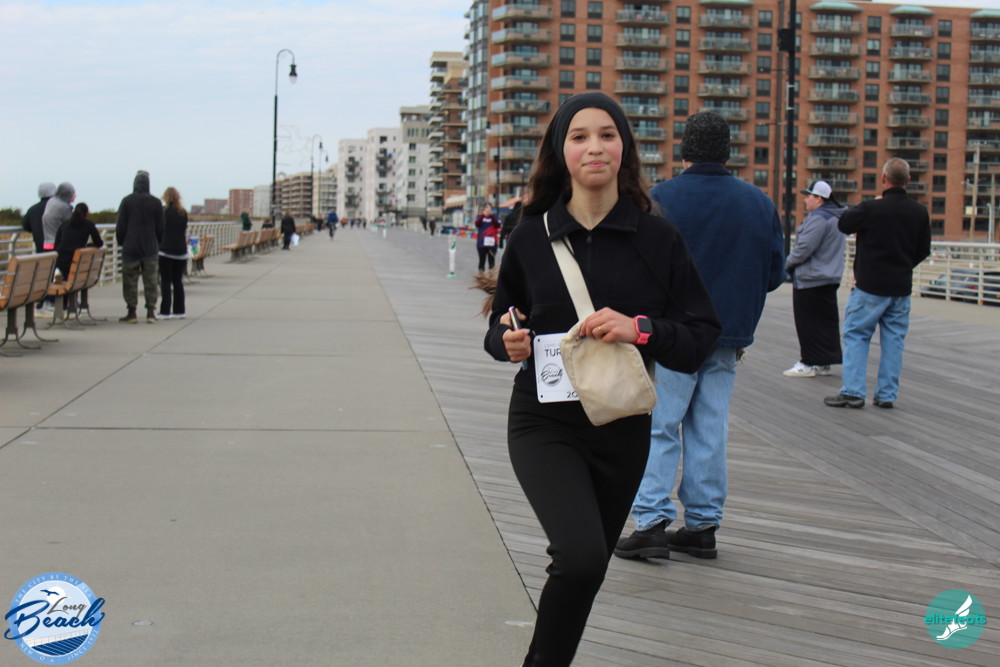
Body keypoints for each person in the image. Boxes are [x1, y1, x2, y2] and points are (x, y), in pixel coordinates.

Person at [483, 93, 721, 667]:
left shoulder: (657, 239)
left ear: (625, 148)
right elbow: (500, 324)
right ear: (561, 152)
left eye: (607, 134)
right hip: (543, 421)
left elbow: (701, 336)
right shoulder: (530, 237)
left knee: (585, 569)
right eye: (580, 136)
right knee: (582, 556)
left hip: (622, 425)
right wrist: (506, 341)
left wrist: (641, 330)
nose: (595, 147)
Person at [615, 111, 784, 562]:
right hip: (727, 334)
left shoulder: (659, 199)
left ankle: (650, 521)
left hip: (671, 332)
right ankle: (702, 526)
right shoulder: (759, 202)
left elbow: (633, 266)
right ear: (727, 151)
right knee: (710, 427)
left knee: (660, 426)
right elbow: (774, 274)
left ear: (684, 149)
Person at [825, 158, 931, 410]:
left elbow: (844, 224)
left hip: (870, 286)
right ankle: (886, 394)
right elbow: (923, 249)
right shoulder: (919, 211)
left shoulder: (872, 208)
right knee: (894, 341)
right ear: (908, 180)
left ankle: (853, 391)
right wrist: (904, 265)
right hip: (900, 287)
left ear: (883, 179)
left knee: (857, 335)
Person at [782, 180, 847, 378]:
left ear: (819, 199)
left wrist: (786, 264)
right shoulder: (836, 216)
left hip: (811, 278)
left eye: (809, 196)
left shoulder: (819, 218)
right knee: (825, 323)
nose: (805, 199)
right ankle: (823, 362)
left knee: (808, 323)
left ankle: (808, 362)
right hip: (829, 277)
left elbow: (804, 248)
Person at [116, 170, 165, 324]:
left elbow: (120, 226)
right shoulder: (156, 202)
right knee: (151, 281)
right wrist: (157, 242)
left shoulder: (126, 201)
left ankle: (132, 312)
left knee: (130, 281)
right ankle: (151, 312)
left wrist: (122, 242)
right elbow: (161, 228)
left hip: (130, 247)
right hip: (150, 248)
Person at [38, 182, 76, 315]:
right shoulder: (64, 207)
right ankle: (52, 302)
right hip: (57, 245)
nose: (75, 195)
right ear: (67, 194)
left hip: (47, 242)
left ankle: (47, 302)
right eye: (73, 193)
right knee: (60, 273)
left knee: (50, 273)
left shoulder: (51, 202)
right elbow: (72, 225)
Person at [159, 187, 189, 319]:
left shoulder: (163, 212)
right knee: (178, 281)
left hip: (165, 251)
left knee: (166, 281)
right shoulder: (183, 213)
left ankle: (165, 311)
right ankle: (179, 310)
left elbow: (159, 229)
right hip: (181, 251)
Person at [54, 202, 104, 280]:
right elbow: (99, 243)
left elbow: (56, 244)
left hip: (60, 261)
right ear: (87, 213)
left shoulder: (65, 224)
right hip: (76, 260)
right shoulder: (89, 224)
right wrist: (89, 246)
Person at [22, 182, 56, 254]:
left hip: (41, 250)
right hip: (57, 250)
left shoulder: (32, 210)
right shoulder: (60, 208)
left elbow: (26, 226)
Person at [474, 204, 501, 272]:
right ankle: (481, 275)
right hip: (481, 243)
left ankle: (491, 276)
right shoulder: (479, 217)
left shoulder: (495, 217)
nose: (488, 210)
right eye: (486, 208)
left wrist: (491, 216)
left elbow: (498, 225)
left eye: (489, 208)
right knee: (482, 261)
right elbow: (477, 224)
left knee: (491, 262)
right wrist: (483, 215)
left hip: (492, 244)